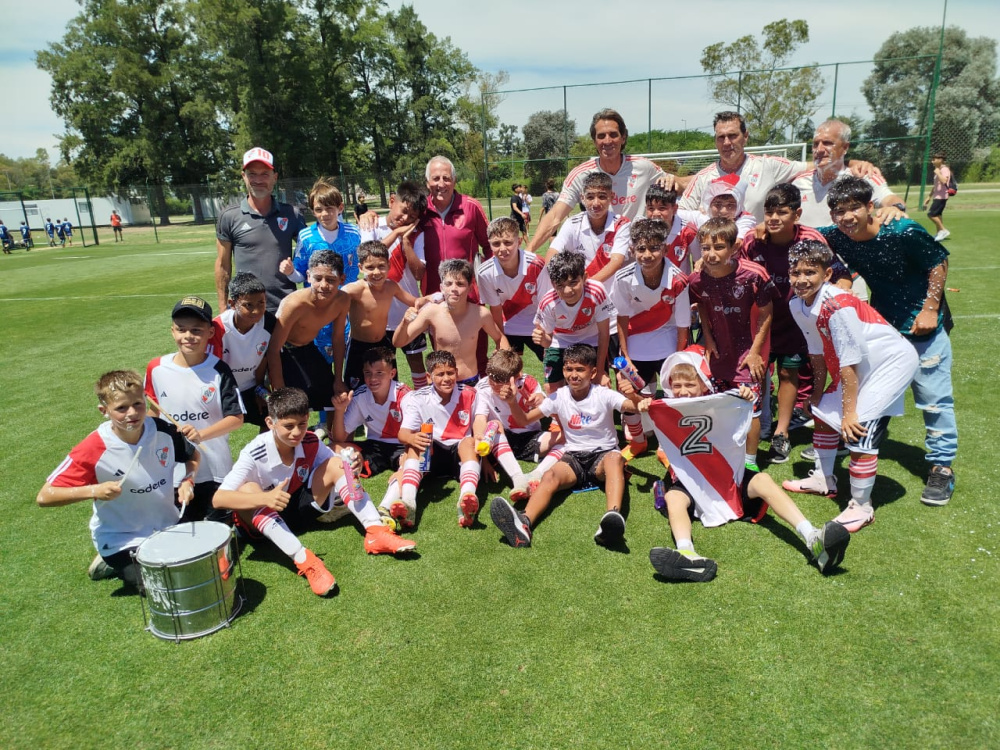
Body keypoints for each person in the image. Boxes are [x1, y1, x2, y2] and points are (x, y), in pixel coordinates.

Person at [642, 348, 850, 581]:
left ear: (703, 385)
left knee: (762, 479)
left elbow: (742, 414)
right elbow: (637, 409)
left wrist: (743, 399)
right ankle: (686, 553)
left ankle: (812, 537)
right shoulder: (664, 407)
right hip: (691, 483)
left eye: (689, 385)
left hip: (729, 481)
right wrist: (639, 404)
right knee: (674, 498)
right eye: (676, 385)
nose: (682, 391)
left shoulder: (721, 402)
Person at [818, 175, 957, 506]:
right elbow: (805, 235)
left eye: (854, 208)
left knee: (934, 398)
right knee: (868, 391)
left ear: (870, 207)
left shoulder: (902, 230)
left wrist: (930, 308)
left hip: (925, 327)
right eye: (838, 211)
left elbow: (938, 262)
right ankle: (855, 441)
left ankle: (942, 467)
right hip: (883, 329)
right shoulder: (838, 236)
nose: (847, 217)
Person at [213, 387, 414, 597]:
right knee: (247, 489)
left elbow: (336, 466)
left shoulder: (309, 440)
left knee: (338, 464)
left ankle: (376, 532)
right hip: (260, 524)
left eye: (302, 424)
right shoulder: (254, 451)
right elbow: (219, 499)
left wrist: (353, 463)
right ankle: (307, 562)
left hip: (298, 510)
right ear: (270, 423)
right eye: (288, 426)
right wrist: (266, 498)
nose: (296, 432)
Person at [782, 240, 919, 532]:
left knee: (859, 426)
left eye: (810, 272)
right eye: (796, 272)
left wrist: (849, 413)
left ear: (827, 275)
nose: (801, 279)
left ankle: (861, 506)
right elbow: (817, 354)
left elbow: (849, 363)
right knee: (820, 412)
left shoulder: (837, 304)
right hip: (862, 362)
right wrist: (816, 396)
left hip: (890, 362)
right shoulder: (797, 303)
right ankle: (823, 478)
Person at [37, 370, 199, 588]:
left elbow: (193, 455)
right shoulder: (93, 447)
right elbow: (45, 496)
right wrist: (94, 490)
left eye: (138, 404)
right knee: (160, 584)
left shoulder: (162, 429)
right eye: (121, 408)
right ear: (104, 411)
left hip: (166, 523)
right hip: (121, 538)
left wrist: (188, 480)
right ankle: (111, 560)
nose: (132, 413)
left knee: (201, 564)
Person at [489, 343, 643, 548]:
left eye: (580, 369)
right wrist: (511, 402)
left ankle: (611, 518)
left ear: (593, 372)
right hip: (574, 458)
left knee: (615, 459)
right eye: (569, 369)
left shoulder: (603, 394)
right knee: (550, 475)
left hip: (603, 456)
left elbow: (635, 407)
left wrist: (632, 395)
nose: (574, 375)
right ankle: (524, 523)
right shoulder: (558, 396)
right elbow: (524, 420)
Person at [740, 183, 835, 463]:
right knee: (757, 375)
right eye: (769, 212)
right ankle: (756, 426)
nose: (773, 218)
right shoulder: (752, 241)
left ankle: (782, 433)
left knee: (787, 374)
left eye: (782, 212)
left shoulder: (811, 239)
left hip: (797, 322)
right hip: (761, 322)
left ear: (797, 214)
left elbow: (828, 275)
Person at [144, 296, 245, 521]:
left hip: (215, 467)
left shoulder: (219, 369)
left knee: (218, 531)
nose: (188, 336)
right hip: (173, 468)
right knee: (179, 530)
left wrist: (201, 435)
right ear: (172, 331)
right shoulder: (156, 368)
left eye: (197, 330)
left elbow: (236, 418)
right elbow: (153, 412)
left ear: (210, 333)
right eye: (182, 329)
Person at [680, 111, 880, 223]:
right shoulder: (703, 178)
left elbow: (816, 164)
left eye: (733, 135)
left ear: (746, 137)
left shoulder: (769, 166)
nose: (726, 143)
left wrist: (851, 162)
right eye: (720, 137)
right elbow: (680, 217)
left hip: (758, 263)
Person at [689, 217, 776, 471]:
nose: (711, 254)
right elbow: (702, 305)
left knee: (752, 409)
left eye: (718, 247)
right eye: (706, 248)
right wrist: (709, 338)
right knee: (722, 406)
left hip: (748, 354)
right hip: (720, 354)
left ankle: (749, 462)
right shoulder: (697, 280)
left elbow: (766, 313)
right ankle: (726, 452)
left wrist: (756, 352)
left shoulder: (754, 274)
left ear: (733, 248)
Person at [529, 108, 675, 253]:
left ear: (623, 137)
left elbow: (677, 184)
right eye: (601, 136)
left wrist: (674, 179)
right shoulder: (580, 174)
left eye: (613, 134)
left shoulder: (644, 167)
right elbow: (555, 216)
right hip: (598, 259)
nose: (607, 141)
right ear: (594, 141)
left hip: (638, 258)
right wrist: (527, 253)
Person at [608, 217, 690, 453]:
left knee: (677, 394)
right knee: (631, 394)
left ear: (664, 248)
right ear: (632, 250)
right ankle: (637, 440)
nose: (647, 255)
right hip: (635, 342)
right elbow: (621, 319)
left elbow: (683, 324)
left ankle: (672, 440)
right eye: (641, 249)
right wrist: (626, 357)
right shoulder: (623, 278)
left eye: (654, 248)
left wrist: (678, 359)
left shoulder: (678, 279)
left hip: (669, 341)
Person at [397, 350, 483, 528]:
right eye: (440, 374)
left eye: (450, 373)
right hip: (431, 455)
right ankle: (409, 502)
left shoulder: (471, 394)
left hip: (459, 453)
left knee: (469, 441)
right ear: (429, 377)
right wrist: (413, 438)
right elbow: (403, 434)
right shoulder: (417, 398)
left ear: (457, 373)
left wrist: (487, 461)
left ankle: (466, 498)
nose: (446, 379)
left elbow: (479, 429)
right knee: (416, 443)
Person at [216, 147, 306, 314]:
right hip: (245, 309)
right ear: (244, 177)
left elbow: (314, 245)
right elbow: (223, 266)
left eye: (264, 174)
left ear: (275, 177)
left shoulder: (292, 214)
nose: (258, 180)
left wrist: (366, 215)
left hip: (285, 306)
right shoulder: (228, 216)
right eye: (252, 174)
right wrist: (223, 309)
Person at [359, 181, 431, 387]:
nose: (406, 218)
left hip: (408, 313)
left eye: (413, 216)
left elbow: (418, 273)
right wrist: (397, 234)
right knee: (383, 369)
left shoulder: (417, 234)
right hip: (380, 316)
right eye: (404, 211)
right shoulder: (371, 225)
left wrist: (406, 242)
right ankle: (390, 411)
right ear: (392, 201)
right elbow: (369, 257)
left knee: (417, 364)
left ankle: (422, 406)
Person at [330, 347, 413, 527]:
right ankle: (345, 490)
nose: (373, 379)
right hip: (376, 446)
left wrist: (407, 457)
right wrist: (339, 410)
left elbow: (413, 436)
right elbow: (339, 438)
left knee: (413, 460)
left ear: (392, 373)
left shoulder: (405, 395)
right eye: (368, 373)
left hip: (402, 446)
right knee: (333, 448)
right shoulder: (361, 395)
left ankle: (385, 506)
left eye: (379, 373)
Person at [393, 259, 510, 386]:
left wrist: (504, 356)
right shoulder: (432, 312)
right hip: (441, 382)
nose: (454, 289)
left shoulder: (480, 314)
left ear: (470, 288)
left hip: (470, 381)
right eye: (448, 284)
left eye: (460, 284)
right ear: (441, 288)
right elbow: (399, 342)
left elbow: (499, 337)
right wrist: (404, 323)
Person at [269, 250, 350, 423]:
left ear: (342, 279)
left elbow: (337, 339)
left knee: (333, 398)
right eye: (318, 278)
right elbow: (274, 349)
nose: (323, 285)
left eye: (331, 280)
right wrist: (279, 390)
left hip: (308, 348)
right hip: (285, 352)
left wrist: (338, 379)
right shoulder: (295, 304)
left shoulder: (342, 300)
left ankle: (332, 442)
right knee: (286, 408)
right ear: (308, 276)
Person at [473, 349, 565, 501]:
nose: (494, 386)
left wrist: (541, 400)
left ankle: (536, 474)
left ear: (516, 377)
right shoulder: (482, 389)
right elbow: (480, 419)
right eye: (491, 380)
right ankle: (518, 479)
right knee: (494, 424)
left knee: (568, 437)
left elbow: (549, 409)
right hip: (499, 438)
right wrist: (482, 452)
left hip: (529, 437)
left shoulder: (528, 383)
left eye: (499, 383)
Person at [340, 241, 427, 389]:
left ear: (388, 265)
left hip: (383, 345)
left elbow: (414, 302)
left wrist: (432, 299)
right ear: (360, 268)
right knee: (354, 391)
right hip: (358, 346)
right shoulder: (354, 290)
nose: (376, 272)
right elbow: (331, 305)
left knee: (387, 387)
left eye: (381, 266)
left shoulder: (391, 287)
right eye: (370, 267)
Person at [793, 120, 905, 230]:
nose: (819, 149)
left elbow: (890, 198)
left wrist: (895, 208)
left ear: (845, 147)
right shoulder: (798, 182)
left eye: (827, 143)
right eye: (815, 144)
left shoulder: (862, 176)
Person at [533, 250, 615, 392]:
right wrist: (542, 339)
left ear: (584, 277)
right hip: (560, 340)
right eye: (560, 285)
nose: (567, 290)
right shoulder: (548, 302)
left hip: (591, 339)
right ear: (553, 284)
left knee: (600, 385)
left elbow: (604, 333)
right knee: (551, 389)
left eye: (573, 282)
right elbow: (547, 342)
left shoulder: (596, 291)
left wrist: (600, 371)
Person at [207, 272, 276, 429]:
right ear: (232, 303)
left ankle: (265, 452)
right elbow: (211, 367)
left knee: (277, 415)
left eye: (261, 303)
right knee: (213, 429)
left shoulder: (269, 323)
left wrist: (260, 388)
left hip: (251, 387)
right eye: (248, 305)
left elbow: (264, 359)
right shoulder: (217, 328)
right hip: (223, 390)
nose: (257, 311)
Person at [477, 216, 549, 365]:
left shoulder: (537, 264)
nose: (502, 249)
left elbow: (546, 304)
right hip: (508, 326)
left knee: (554, 367)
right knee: (506, 370)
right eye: (496, 244)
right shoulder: (484, 272)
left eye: (508, 242)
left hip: (537, 326)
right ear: (489, 245)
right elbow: (495, 309)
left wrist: (546, 334)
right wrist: (500, 340)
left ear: (519, 242)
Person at [923, 152, 952, 241]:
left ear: (940, 160)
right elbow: (935, 186)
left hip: (942, 196)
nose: (932, 161)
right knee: (938, 215)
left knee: (931, 214)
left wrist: (938, 173)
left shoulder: (944, 169)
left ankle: (943, 230)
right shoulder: (938, 169)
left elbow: (944, 181)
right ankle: (939, 234)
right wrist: (929, 197)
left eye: (934, 159)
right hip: (937, 196)